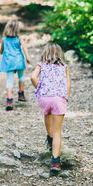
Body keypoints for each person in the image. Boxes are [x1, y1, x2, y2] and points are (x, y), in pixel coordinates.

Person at [31, 44, 70, 173]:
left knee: (47, 114)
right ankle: (55, 162)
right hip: (59, 99)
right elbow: (68, 86)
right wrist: (65, 99)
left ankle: (50, 140)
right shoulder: (64, 67)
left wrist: (39, 89)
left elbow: (32, 77)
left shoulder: (41, 64)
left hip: (44, 98)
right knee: (58, 131)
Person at [0, 20, 31, 111]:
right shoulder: (19, 38)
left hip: (9, 62)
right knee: (21, 77)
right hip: (19, 61)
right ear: (17, 29)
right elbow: (24, 48)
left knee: (9, 81)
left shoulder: (4, 39)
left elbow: (1, 51)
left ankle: (9, 101)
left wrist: (4, 51)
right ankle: (21, 94)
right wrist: (28, 58)